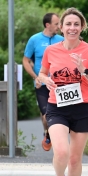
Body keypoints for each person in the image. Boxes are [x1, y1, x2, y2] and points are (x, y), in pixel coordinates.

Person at [38, 7, 88, 176]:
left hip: (83, 108)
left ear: (82, 27)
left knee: (74, 159)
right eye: (68, 24)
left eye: (76, 24)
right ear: (61, 27)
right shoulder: (51, 50)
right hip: (57, 107)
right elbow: (42, 74)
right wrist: (46, 80)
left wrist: (85, 71)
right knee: (61, 152)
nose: (72, 28)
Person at [22, 13, 64, 152]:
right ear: (48, 25)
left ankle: (51, 135)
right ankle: (48, 132)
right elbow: (25, 61)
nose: (59, 26)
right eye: (57, 23)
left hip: (58, 84)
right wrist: (36, 77)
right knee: (46, 115)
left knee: (57, 113)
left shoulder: (62, 40)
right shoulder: (34, 40)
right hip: (42, 84)